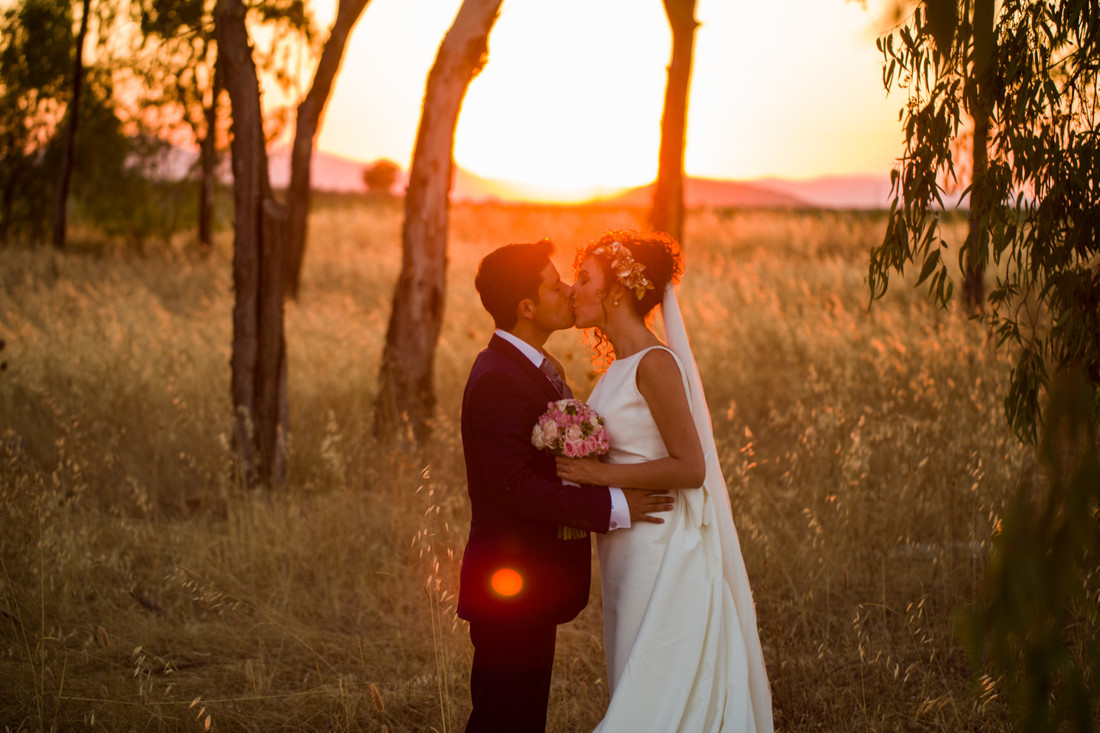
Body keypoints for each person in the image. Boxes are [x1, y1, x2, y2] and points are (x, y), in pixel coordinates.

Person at [556, 230, 774, 732]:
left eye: (585, 277)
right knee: (635, 670)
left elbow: (691, 467)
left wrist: (598, 474)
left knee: (655, 683)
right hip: (626, 545)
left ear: (616, 292)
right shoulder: (619, 366)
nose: (574, 288)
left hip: (660, 547)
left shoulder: (655, 364)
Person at [457, 239, 674, 733]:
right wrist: (615, 506)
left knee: (522, 716)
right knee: (502, 718)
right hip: (508, 588)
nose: (569, 293)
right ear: (527, 307)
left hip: (529, 586)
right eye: (555, 285)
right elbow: (515, 488)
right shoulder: (497, 377)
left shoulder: (533, 367)